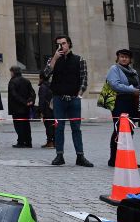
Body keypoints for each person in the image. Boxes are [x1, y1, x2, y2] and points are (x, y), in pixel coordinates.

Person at [42, 35, 93, 167]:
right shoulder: (52, 60)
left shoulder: (79, 60)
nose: (61, 46)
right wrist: (54, 58)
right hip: (58, 98)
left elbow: (84, 79)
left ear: (69, 44)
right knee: (59, 128)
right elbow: (45, 75)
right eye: (58, 44)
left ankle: (80, 156)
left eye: (64, 43)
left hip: (74, 99)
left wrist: (79, 95)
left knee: (76, 128)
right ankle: (59, 155)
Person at [106, 49, 140, 167]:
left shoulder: (133, 71)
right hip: (119, 102)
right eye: (122, 56)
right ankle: (114, 159)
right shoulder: (114, 69)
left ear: (130, 59)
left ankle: (126, 158)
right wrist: (133, 90)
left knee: (129, 130)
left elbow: (137, 84)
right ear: (118, 58)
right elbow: (115, 85)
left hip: (131, 103)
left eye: (126, 57)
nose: (124, 59)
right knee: (119, 130)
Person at [8, 65, 35, 149]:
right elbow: (32, 93)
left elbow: (14, 95)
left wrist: (24, 102)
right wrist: (30, 101)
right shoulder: (26, 81)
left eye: (11, 72)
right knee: (26, 125)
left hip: (16, 107)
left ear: (13, 72)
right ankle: (28, 142)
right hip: (26, 108)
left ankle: (21, 142)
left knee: (18, 125)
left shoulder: (12, 82)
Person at [38, 72, 55, 148]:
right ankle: (54, 141)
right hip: (52, 109)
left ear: (41, 78)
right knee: (53, 125)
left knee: (48, 126)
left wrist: (41, 111)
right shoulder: (51, 85)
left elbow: (42, 100)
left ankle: (50, 142)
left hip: (46, 109)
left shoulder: (43, 87)